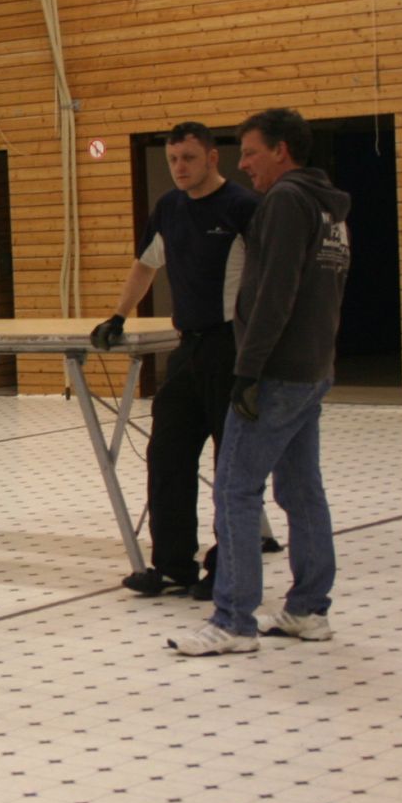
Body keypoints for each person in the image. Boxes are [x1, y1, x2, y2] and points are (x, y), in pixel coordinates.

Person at [171, 108, 351, 657]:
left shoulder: (287, 201)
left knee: (234, 488)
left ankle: (233, 619)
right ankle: (308, 609)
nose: (244, 164)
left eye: (251, 152)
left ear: (281, 150)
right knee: (300, 489)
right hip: (311, 368)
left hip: (275, 373)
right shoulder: (327, 205)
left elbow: (276, 292)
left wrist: (247, 370)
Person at [91, 122, 260, 599]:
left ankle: (228, 568)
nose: (179, 168)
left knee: (231, 464)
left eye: (189, 158)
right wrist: (118, 316)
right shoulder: (168, 208)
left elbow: (270, 277)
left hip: (231, 348)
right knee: (167, 453)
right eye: (172, 160)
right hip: (187, 348)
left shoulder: (242, 207)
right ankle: (172, 565)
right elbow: (146, 263)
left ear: (212, 158)